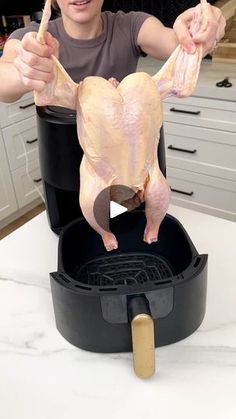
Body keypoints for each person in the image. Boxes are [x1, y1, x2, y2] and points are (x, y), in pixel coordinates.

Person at [0, 0, 225, 104]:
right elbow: (4, 76)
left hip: (132, 160)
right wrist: (26, 71)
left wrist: (203, 27)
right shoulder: (35, 37)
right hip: (63, 160)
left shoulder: (130, 25)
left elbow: (179, 43)